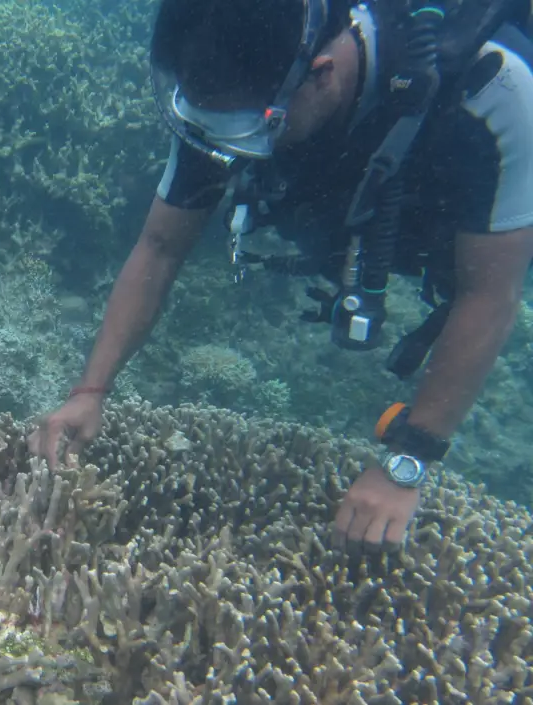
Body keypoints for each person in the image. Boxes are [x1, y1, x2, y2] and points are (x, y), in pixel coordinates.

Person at [31, 0, 533, 550]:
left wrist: (406, 462)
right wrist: (91, 389)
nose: (222, 152)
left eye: (245, 133)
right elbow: (159, 245)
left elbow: (490, 295)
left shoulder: (495, 92)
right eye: (206, 128)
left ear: (321, 75)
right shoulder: (225, 84)